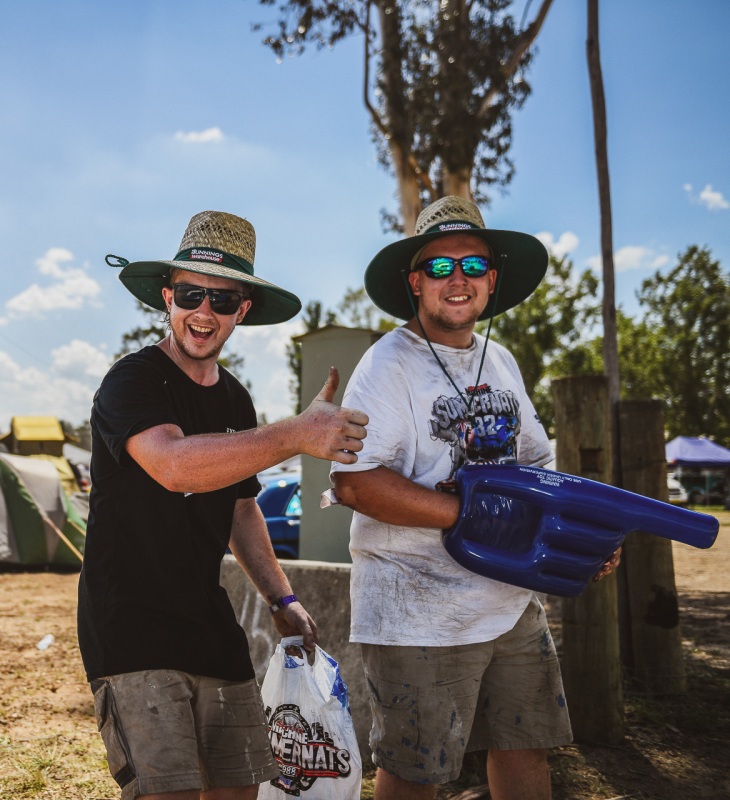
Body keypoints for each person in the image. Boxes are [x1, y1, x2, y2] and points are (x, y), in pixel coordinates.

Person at [329, 196, 620, 800]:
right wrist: (473, 515)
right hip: (417, 610)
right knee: (417, 773)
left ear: (492, 281)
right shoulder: (387, 364)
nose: (456, 279)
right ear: (415, 282)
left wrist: (579, 537)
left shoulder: (502, 360)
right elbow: (354, 482)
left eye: (473, 266)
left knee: (524, 750)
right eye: (439, 267)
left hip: (511, 602)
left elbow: (538, 464)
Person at [79, 210, 369, 800]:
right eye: (191, 294)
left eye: (222, 300)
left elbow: (240, 508)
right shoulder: (130, 381)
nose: (203, 312)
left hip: (209, 623)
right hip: (129, 624)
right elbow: (173, 464)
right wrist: (293, 434)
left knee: (241, 787)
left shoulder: (236, 398)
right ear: (167, 298)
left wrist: (282, 598)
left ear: (244, 311)